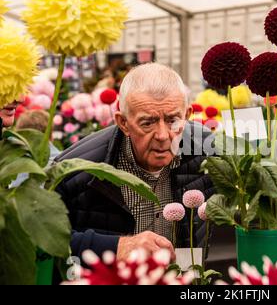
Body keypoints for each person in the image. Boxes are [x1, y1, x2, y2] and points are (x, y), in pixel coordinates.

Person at [54, 63, 214, 261]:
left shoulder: (207, 150)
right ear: (123, 123)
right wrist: (117, 247)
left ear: (187, 115)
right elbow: (42, 240)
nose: (163, 135)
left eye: (173, 120)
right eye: (148, 123)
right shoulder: (76, 170)